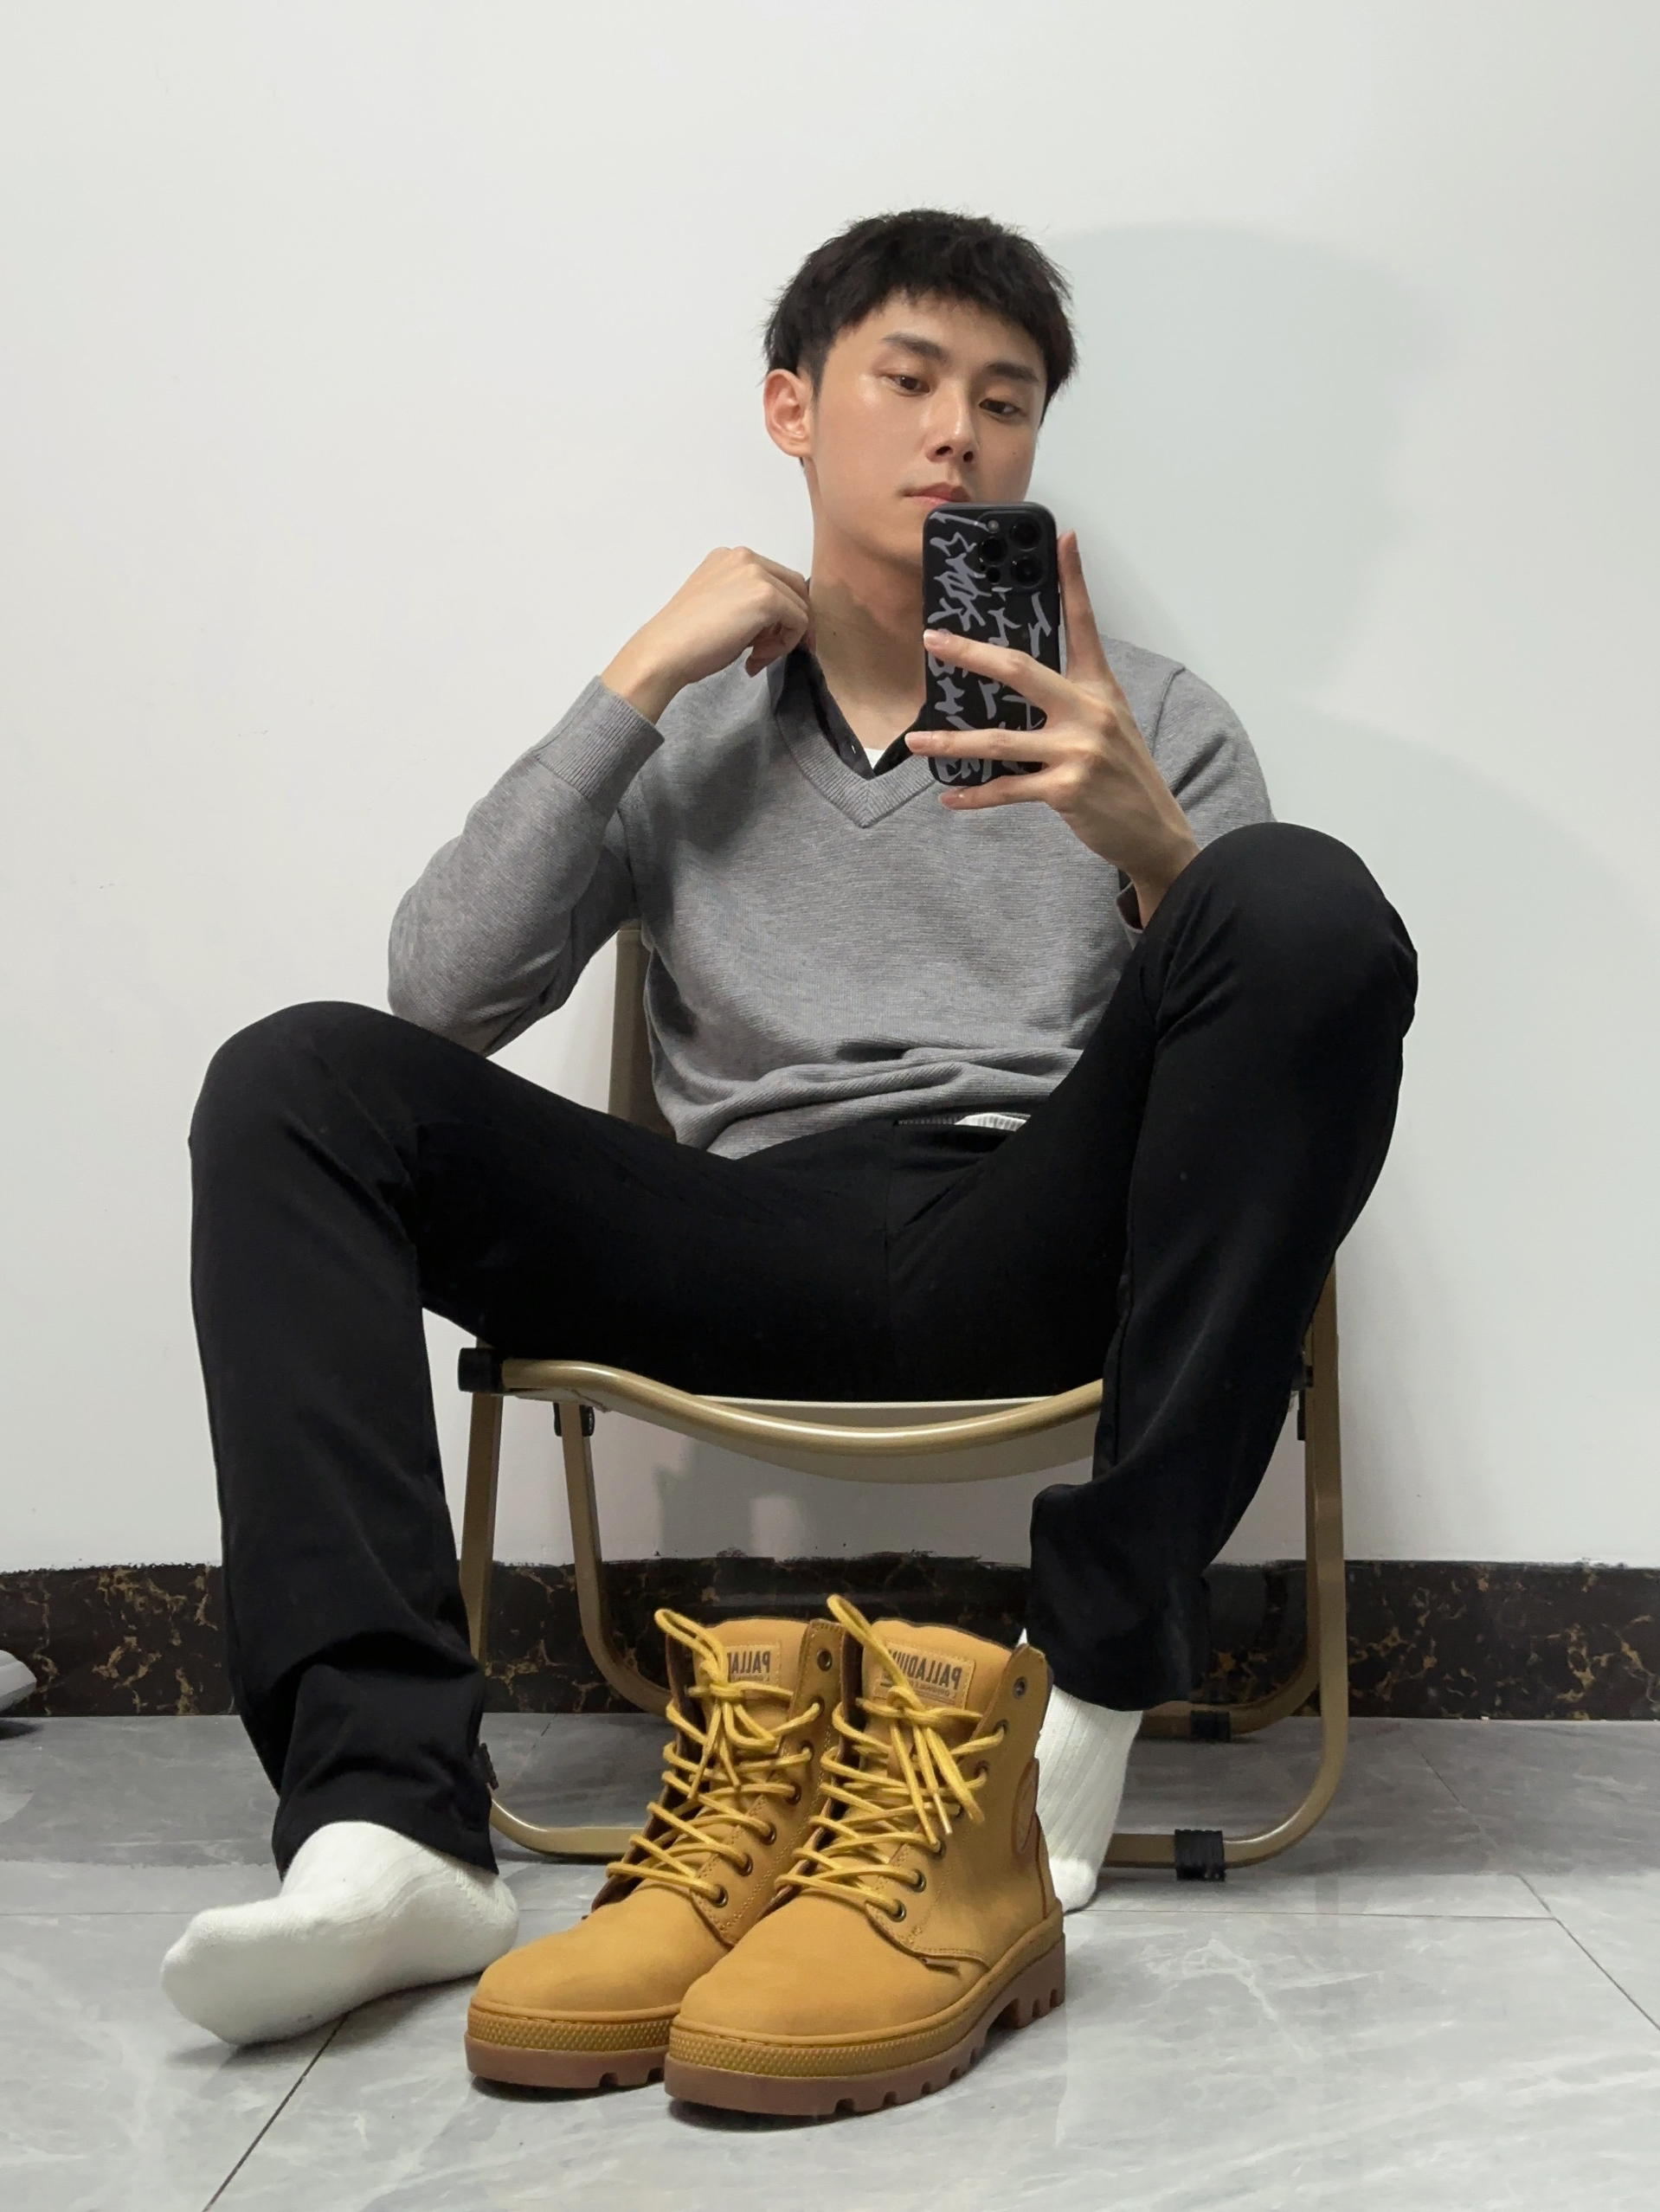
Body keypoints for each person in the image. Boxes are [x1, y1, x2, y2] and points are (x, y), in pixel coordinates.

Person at [162, 209, 1416, 2048]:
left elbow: (1282, 1045)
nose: (957, 433)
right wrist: (635, 679)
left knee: (1299, 894)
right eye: (908, 380)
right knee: (295, 1079)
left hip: (1037, 1226)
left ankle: (1083, 1685)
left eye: (1004, 400)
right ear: (792, 409)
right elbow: (437, 993)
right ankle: (387, 1826)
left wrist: (1149, 842)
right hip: (736, 1239)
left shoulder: (1142, 718)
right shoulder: (685, 737)